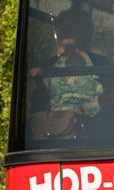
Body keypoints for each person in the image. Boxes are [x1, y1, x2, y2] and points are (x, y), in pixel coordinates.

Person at [27, 7, 108, 140]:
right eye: (62, 27)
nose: (64, 31)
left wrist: (87, 110)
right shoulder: (50, 64)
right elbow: (40, 100)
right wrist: (38, 81)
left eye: (70, 27)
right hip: (54, 128)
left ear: (83, 32)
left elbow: (108, 96)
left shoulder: (99, 63)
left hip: (90, 128)